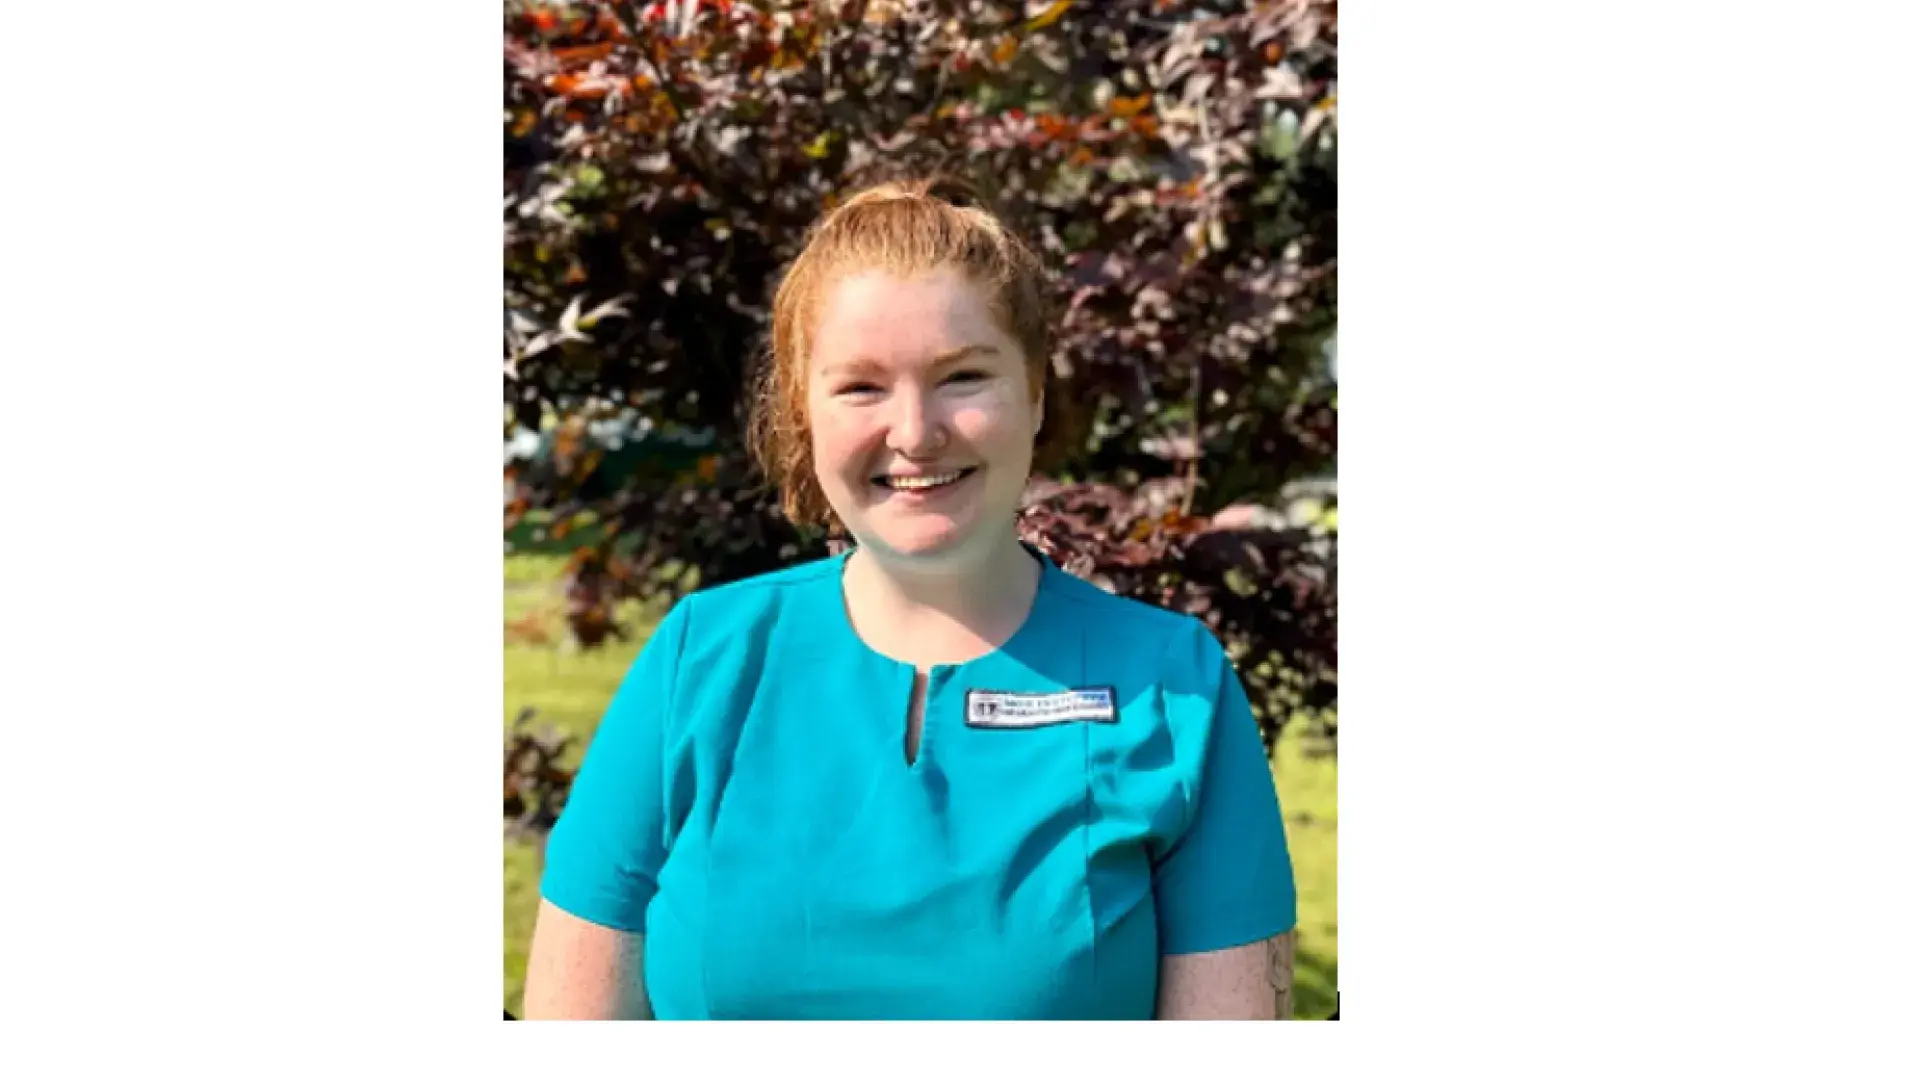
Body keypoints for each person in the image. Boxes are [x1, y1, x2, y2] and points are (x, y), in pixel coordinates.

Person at [521, 178, 1298, 1020]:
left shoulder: (1175, 688)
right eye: (861, 387)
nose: (915, 432)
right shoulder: (698, 661)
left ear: (1035, 392)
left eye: (962, 377)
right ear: (803, 413)